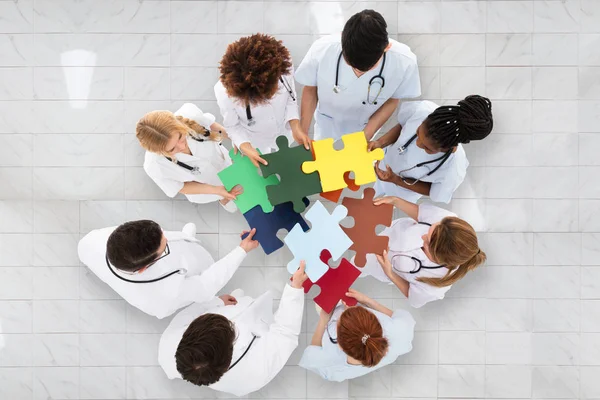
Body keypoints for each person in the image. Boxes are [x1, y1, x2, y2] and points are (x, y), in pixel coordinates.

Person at [158, 262, 308, 397]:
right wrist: (295, 289)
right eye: (231, 330)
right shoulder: (255, 376)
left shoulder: (168, 344)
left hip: (233, 305)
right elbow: (285, 333)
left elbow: (190, 313)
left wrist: (217, 302)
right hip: (261, 323)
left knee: (239, 301)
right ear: (228, 357)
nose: (231, 323)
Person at [78, 220, 258, 319]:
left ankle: (186, 238)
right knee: (199, 266)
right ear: (143, 269)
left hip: (168, 259)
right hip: (186, 280)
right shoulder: (164, 295)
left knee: (182, 245)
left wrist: (175, 239)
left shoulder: (93, 241)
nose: (167, 238)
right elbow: (205, 285)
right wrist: (241, 250)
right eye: (164, 247)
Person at [295, 10, 421, 141]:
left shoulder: (405, 62)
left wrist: (366, 134)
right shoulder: (322, 49)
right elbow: (310, 88)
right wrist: (303, 131)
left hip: (365, 127)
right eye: (350, 64)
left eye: (369, 68)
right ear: (342, 36)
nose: (358, 72)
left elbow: (393, 99)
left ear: (387, 48)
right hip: (327, 124)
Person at [361, 197, 486, 308]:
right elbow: (419, 213)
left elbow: (412, 296)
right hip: (394, 232)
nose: (423, 237)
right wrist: (395, 201)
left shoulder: (437, 286)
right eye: (429, 230)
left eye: (427, 243)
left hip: (379, 265)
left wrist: (390, 274)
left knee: (357, 265)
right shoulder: (449, 223)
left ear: (439, 258)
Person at [370, 95, 493, 204]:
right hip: (383, 159)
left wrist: (396, 180)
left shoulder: (453, 169)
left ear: (446, 148)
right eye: (417, 133)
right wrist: (380, 142)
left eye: (427, 148)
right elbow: (403, 124)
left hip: (400, 190)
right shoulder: (422, 110)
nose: (418, 144)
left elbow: (433, 192)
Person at [214, 33, 309, 168]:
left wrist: (295, 126)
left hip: (284, 132)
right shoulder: (224, 91)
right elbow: (232, 126)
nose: (272, 96)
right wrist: (245, 145)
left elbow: (290, 98)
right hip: (255, 140)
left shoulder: (283, 65)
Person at [137, 103, 242, 212]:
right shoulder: (154, 165)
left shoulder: (190, 113)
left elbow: (211, 125)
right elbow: (180, 187)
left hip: (223, 161)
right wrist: (217, 191)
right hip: (208, 186)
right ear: (159, 152)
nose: (182, 146)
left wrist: (238, 141)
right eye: (172, 149)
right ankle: (223, 199)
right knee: (232, 207)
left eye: (181, 137)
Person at [299, 289, 414, 381]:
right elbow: (396, 316)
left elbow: (313, 349)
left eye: (337, 322)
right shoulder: (401, 331)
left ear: (339, 346)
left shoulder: (332, 369)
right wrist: (367, 300)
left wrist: (323, 320)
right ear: (374, 320)